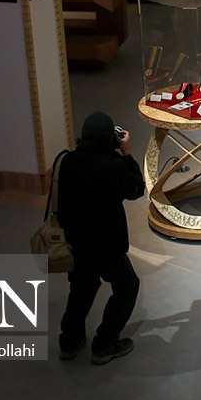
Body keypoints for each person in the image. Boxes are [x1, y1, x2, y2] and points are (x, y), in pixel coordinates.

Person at [56, 111, 145, 365]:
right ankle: (105, 344)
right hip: (106, 245)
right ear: (110, 139)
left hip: (76, 241)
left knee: (82, 287)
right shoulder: (113, 166)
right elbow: (136, 189)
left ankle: (69, 341)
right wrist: (126, 153)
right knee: (127, 286)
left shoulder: (69, 161)